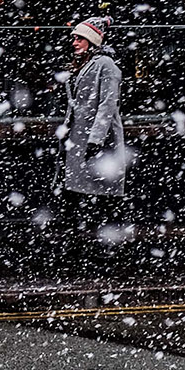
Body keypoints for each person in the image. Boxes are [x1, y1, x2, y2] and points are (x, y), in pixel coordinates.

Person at [58, 15, 128, 264]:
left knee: (102, 195)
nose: (74, 42)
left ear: (92, 41)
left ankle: (106, 247)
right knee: (80, 194)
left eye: (79, 38)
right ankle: (83, 246)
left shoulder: (106, 65)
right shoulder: (81, 64)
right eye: (74, 38)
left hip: (99, 139)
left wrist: (96, 139)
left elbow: (108, 104)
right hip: (79, 138)